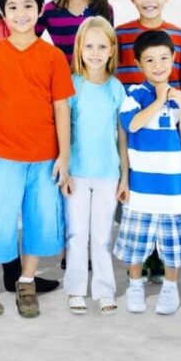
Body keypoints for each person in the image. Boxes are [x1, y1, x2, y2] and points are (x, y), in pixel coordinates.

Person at [0, 0, 73, 318]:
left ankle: (26, 281)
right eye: (12, 7)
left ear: (39, 8)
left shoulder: (53, 56)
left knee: (38, 222)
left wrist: (64, 156)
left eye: (27, 5)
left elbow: (61, 108)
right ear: (3, 12)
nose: (21, 13)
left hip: (44, 159)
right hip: (4, 156)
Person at [118, 28, 181, 316]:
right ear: (139, 64)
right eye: (150, 60)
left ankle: (170, 287)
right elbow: (132, 126)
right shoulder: (133, 96)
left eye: (164, 59)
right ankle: (135, 286)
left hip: (175, 190)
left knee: (172, 246)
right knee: (136, 245)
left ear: (173, 60)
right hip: (141, 188)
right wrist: (158, 100)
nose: (158, 66)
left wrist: (179, 103)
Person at [63, 19, 128, 313]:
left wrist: (124, 177)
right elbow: (63, 131)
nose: (95, 52)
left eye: (102, 46)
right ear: (79, 48)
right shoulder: (72, 85)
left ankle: (104, 290)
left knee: (101, 236)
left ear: (112, 50)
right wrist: (63, 169)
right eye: (89, 46)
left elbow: (122, 137)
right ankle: (76, 289)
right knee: (77, 234)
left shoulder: (116, 89)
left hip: (107, 175)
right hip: (77, 173)